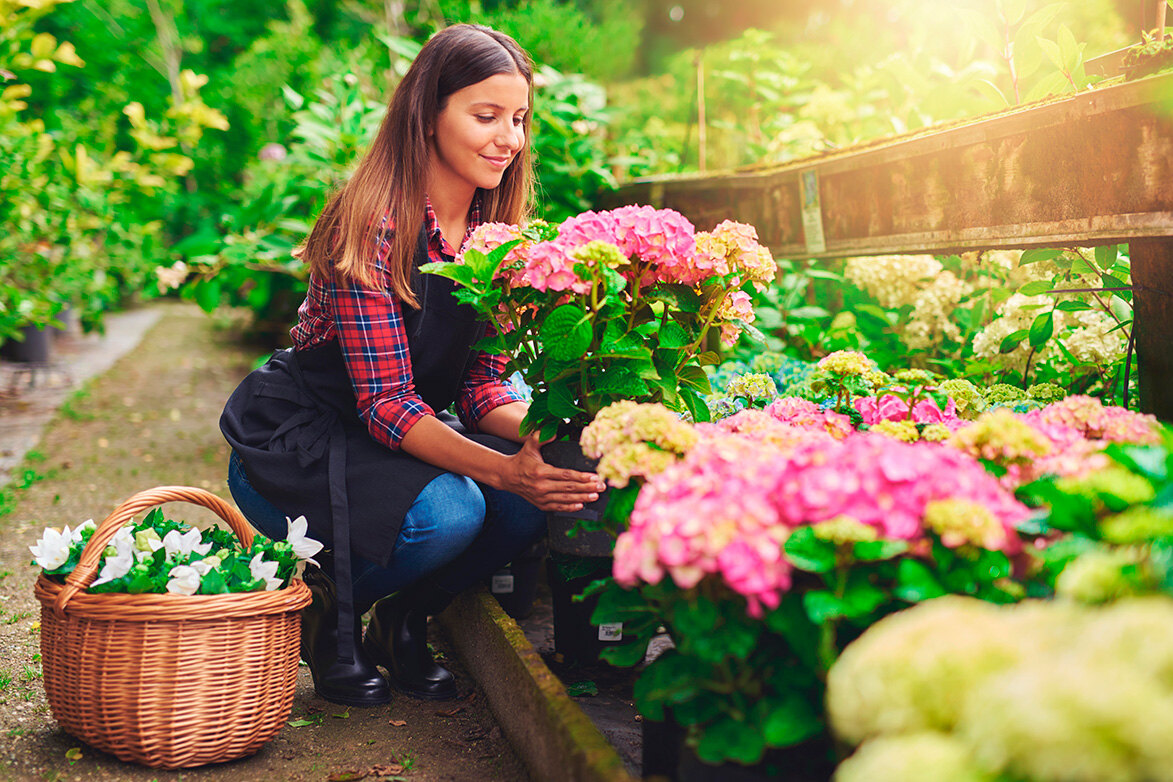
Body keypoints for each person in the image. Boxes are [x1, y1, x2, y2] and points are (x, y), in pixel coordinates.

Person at [220, 23, 604, 708]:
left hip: (392, 439)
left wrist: (547, 435)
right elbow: (386, 403)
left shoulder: (495, 235)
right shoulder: (368, 224)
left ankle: (404, 617)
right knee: (452, 511)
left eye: (517, 119)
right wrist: (501, 465)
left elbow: (483, 386)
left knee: (529, 500)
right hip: (300, 445)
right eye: (484, 116)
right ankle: (326, 613)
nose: (508, 139)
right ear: (428, 116)